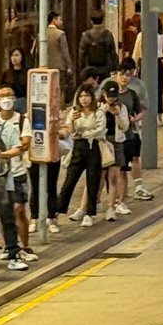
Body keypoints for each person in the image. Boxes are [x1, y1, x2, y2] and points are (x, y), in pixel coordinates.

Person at [0, 90, 33, 271]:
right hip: (0, 175)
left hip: (17, 171)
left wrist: (3, 154)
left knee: (19, 210)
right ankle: (9, 245)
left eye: (10, 96)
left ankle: (24, 245)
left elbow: (23, 145)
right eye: (2, 96)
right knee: (4, 212)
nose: (6, 100)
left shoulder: (22, 120)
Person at [56, 85, 109, 228]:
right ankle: (58, 210)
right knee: (69, 180)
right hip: (78, 148)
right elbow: (71, 131)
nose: (84, 99)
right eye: (81, 96)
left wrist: (85, 133)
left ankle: (89, 213)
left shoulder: (98, 112)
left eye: (86, 96)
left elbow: (100, 130)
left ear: (92, 97)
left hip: (93, 147)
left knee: (93, 181)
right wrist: (72, 121)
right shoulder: (74, 112)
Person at [109, 64, 147, 208]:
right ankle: (112, 200)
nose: (124, 78)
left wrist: (134, 120)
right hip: (112, 135)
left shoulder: (132, 94)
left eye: (127, 75)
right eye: (121, 74)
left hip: (129, 135)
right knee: (113, 171)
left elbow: (141, 111)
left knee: (124, 169)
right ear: (116, 75)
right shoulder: (111, 93)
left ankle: (121, 201)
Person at [80, 12, 120, 78]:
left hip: (90, 69)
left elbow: (82, 54)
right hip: (105, 69)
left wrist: (83, 68)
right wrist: (115, 67)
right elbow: (113, 53)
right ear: (103, 21)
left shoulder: (86, 36)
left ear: (91, 21)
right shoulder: (108, 35)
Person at [0, 46, 31, 112]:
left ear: (22, 57)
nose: (14, 58)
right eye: (12, 55)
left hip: (23, 101)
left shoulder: (28, 72)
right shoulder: (7, 73)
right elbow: (1, 86)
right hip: (9, 101)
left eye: (17, 55)